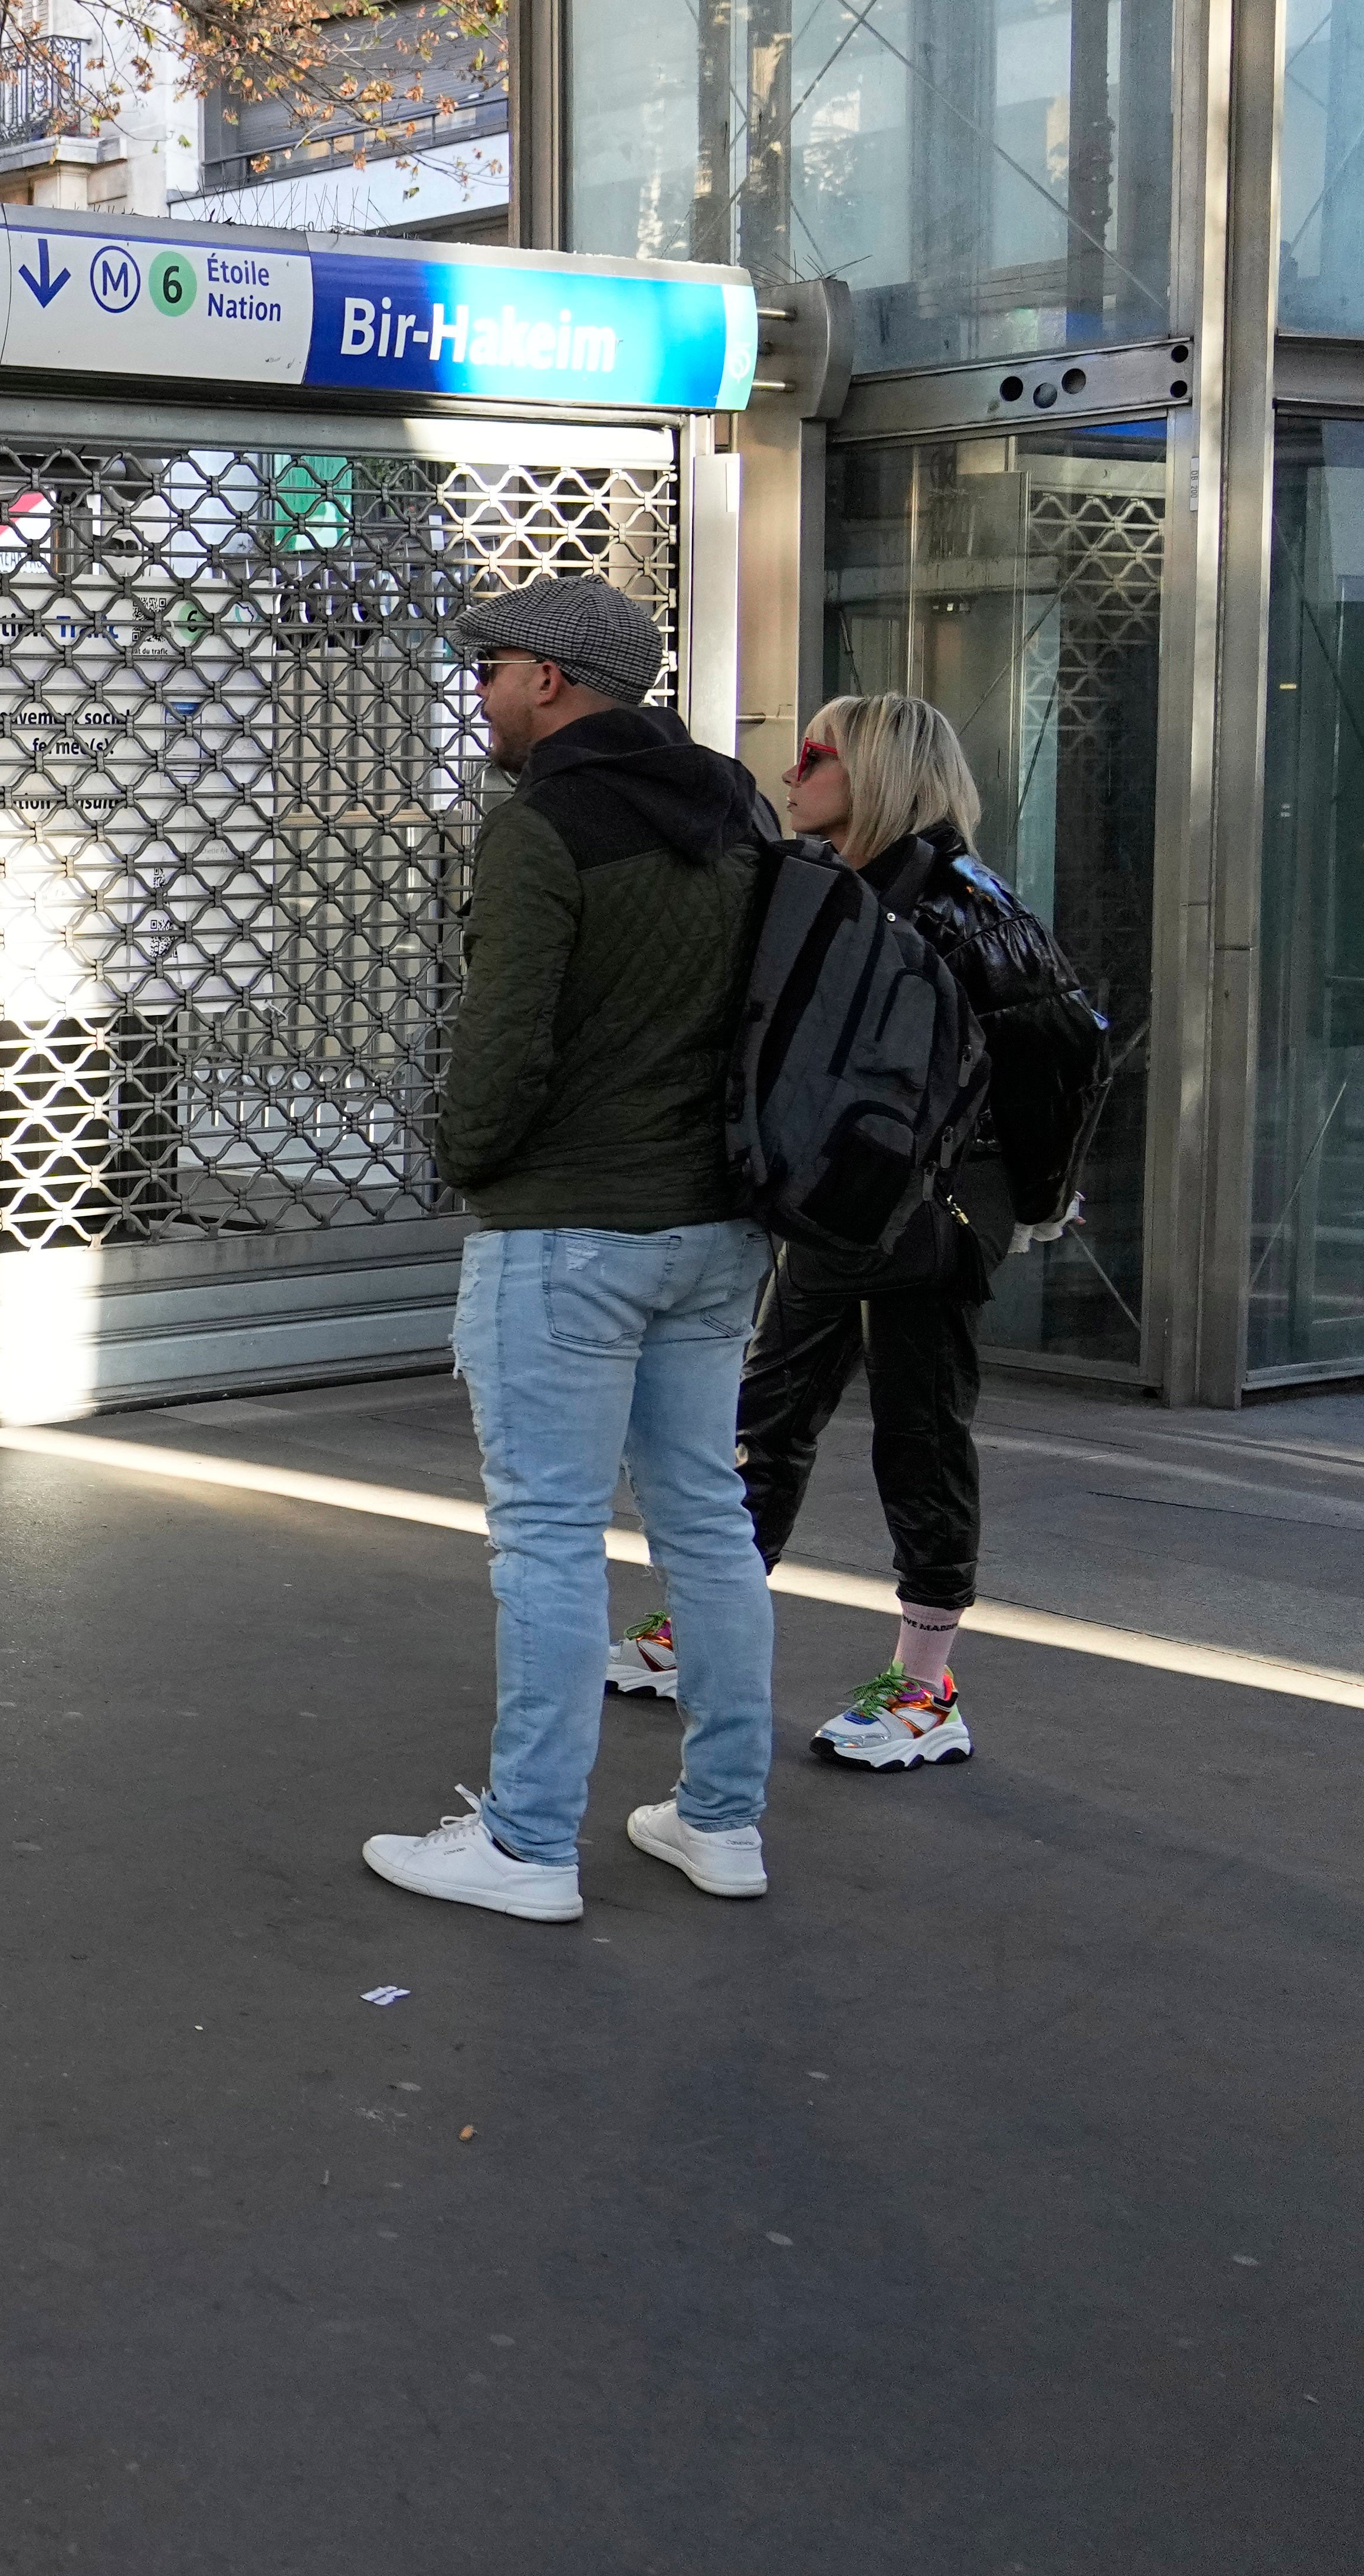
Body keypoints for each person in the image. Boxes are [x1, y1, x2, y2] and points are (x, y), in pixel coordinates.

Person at [365, 576, 782, 1923]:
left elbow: (505, 1032)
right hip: (719, 1227)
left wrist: (468, 1156)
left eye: (490, 667)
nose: (479, 692)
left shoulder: (541, 825)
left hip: (567, 1231)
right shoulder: (738, 808)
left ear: (551, 678)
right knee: (708, 1523)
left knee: (548, 1539)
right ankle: (722, 1824)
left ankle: (530, 1845)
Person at [656, 693, 1102, 1770]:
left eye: (818, 753)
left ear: (880, 774)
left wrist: (1034, 1197)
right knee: (775, 1404)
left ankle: (926, 1680)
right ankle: (711, 1621)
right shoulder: (843, 889)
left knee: (918, 1427)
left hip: (931, 1210)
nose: (794, 768)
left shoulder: (959, 901)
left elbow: (1066, 1049)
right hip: (850, 1202)